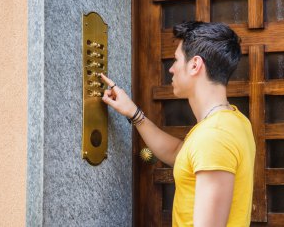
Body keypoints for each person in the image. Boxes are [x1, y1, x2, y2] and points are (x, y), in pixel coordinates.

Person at [100, 21, 256, 227]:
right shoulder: (233, 121)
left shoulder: (215, 136)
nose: (171, 69)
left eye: (176, 60)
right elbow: (177, 153)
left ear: (195, 65)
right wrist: (133, 113)